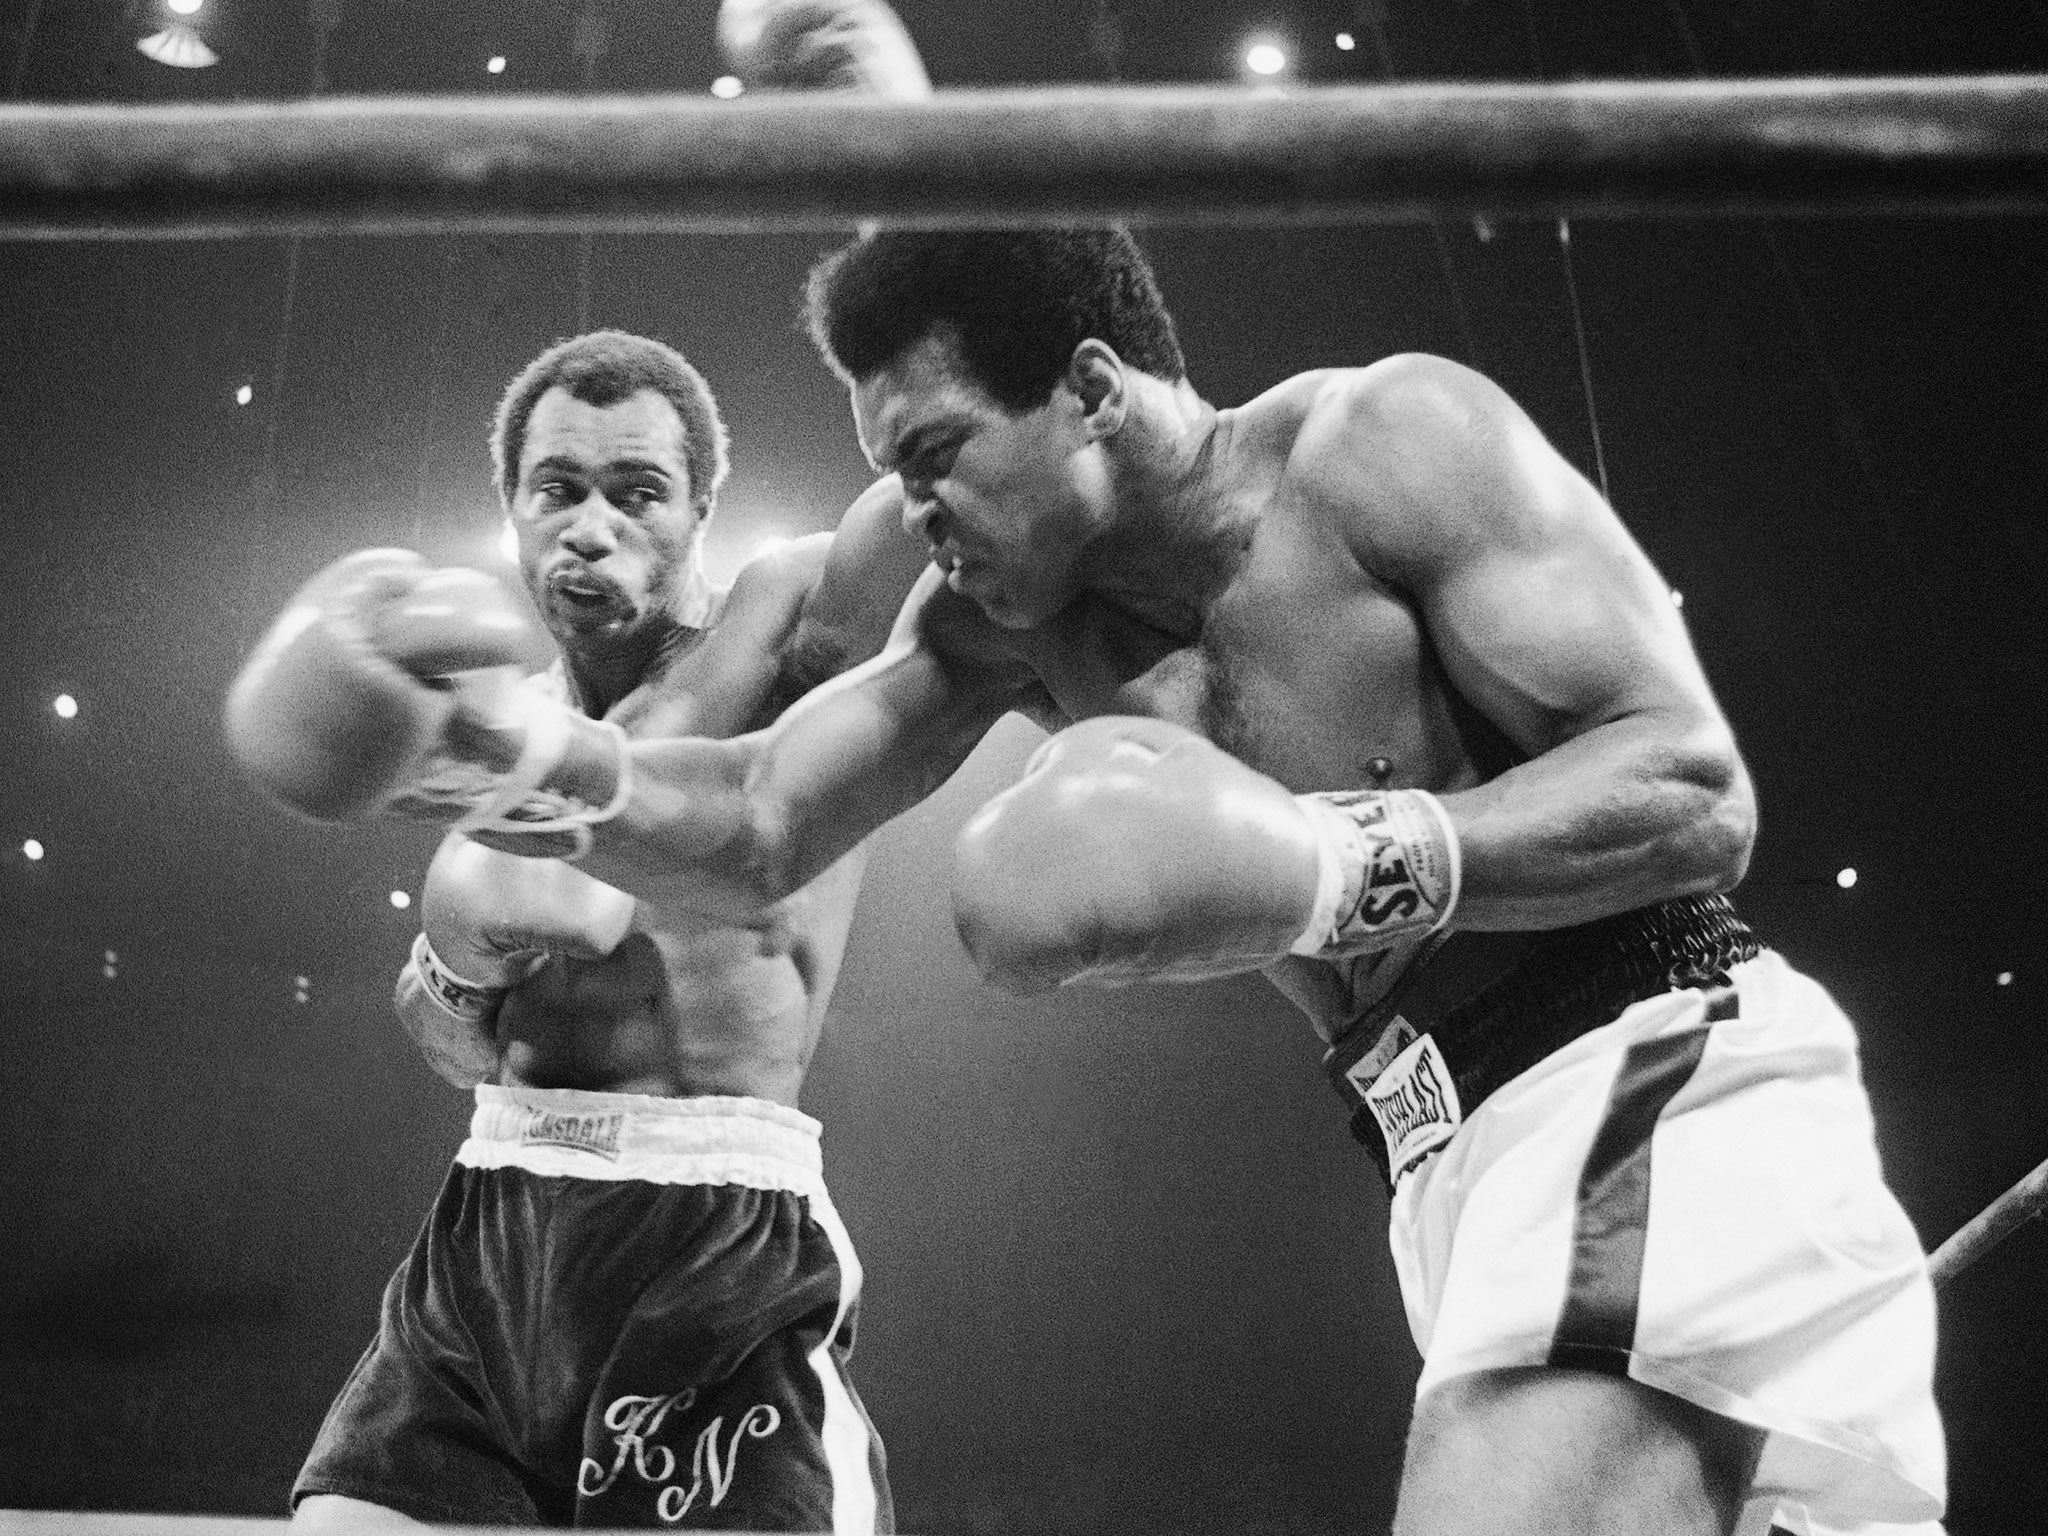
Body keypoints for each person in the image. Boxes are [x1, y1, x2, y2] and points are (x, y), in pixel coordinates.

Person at [394, 227, 1943, 1536]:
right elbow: (759, 818)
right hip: (1445, 1152)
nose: (915, 515)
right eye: (891, 471)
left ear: (1086, 391)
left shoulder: (1384, 444)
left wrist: (1336, 860)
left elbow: (1689, 787)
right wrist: (510, 758)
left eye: (937, 456)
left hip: (1648, 1073)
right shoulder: (1006, 627)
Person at [227, 324, 931, 1531]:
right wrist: (454, 941)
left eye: (638, 492)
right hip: (497, 1206)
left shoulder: (784, 639)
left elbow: (925, 510)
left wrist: (966, 397)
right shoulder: (482, 718)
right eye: (558, 489)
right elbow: (452, 1037)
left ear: (702, 506)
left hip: (710, 1227)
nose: (592, 525)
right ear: (510, 508)